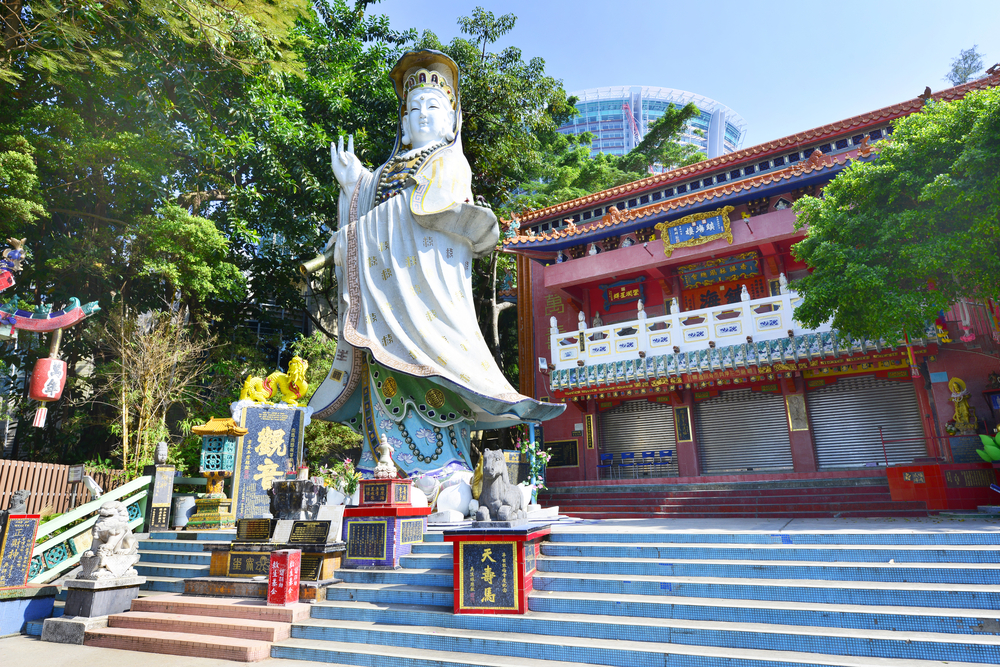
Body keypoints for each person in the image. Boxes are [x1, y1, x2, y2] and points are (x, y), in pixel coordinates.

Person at [307, 50, 564, 477]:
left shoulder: (449, 163)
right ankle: (378, 468)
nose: (424, 115)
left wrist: (359, 232)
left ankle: (444, 471)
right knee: (381, 377)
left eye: (434, 107)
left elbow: (424, 211)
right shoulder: (385, 173)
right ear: (404, 127)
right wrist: (355, 184)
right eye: (414, 110)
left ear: (450, 121)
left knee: (430, 377)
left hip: (427, 308)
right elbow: (372, 210)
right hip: (383, 309)